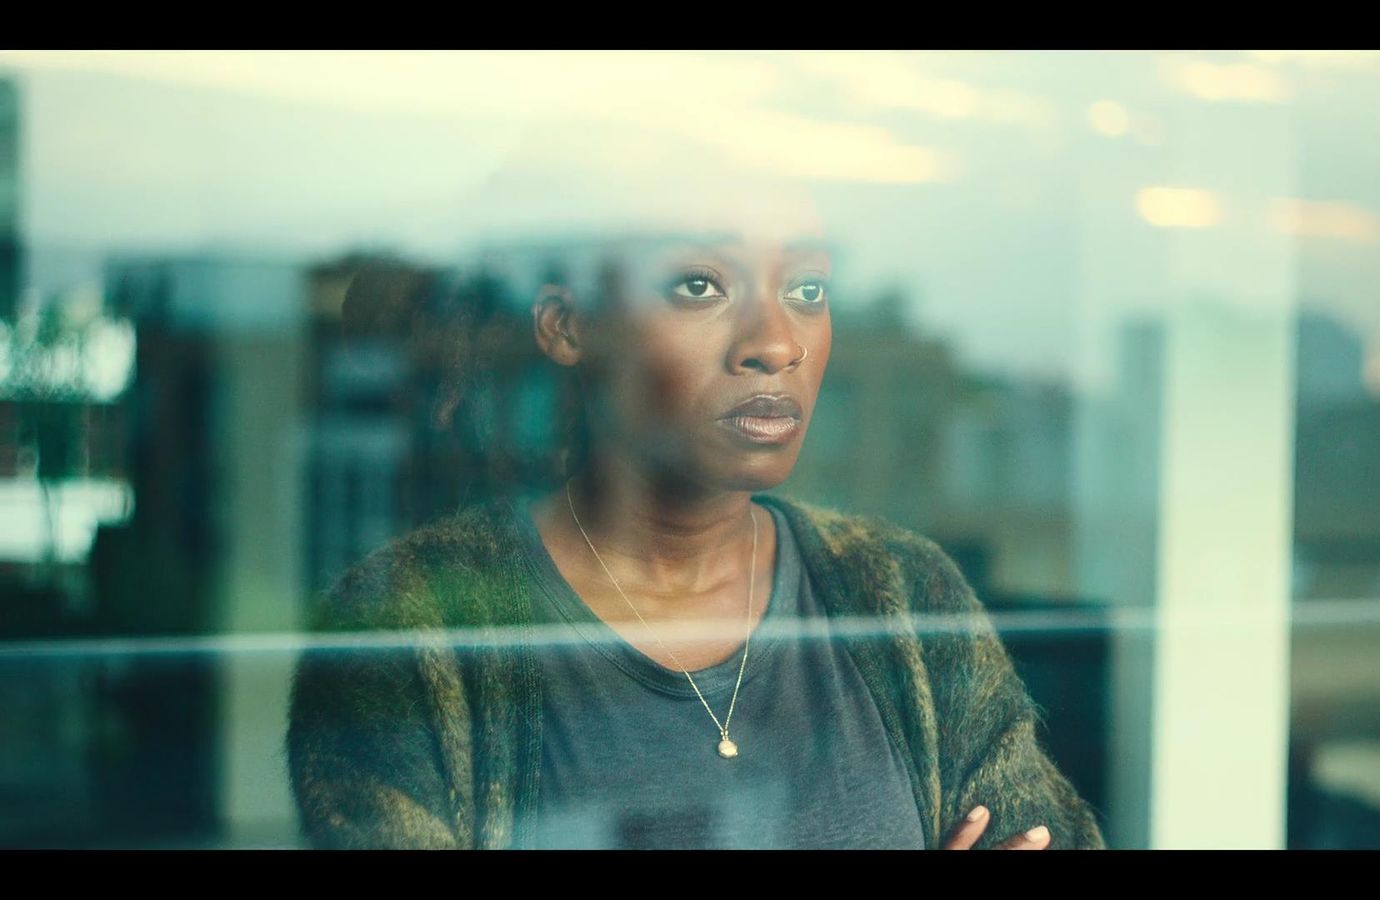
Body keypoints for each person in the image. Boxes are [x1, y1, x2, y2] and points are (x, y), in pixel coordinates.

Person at [285, 195, 1106, 850]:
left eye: (807, 290)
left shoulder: (900, 591)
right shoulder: (410, 624)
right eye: (699, 285)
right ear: (568, 325)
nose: (774, 344)